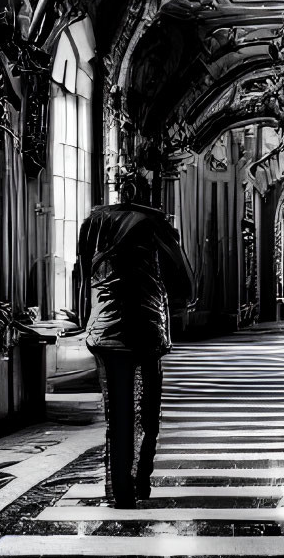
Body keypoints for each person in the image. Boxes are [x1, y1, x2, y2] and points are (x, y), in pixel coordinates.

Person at [76, 172, 195, 508]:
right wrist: (174, 301)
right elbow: (184, 281)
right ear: (144, 192)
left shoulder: (91, 224)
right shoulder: (157, 225)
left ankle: (118, 490)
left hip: (103, 331)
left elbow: (82, 276)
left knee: (117, 414)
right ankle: (140, 480)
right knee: (147, 411)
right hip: (145, 328)